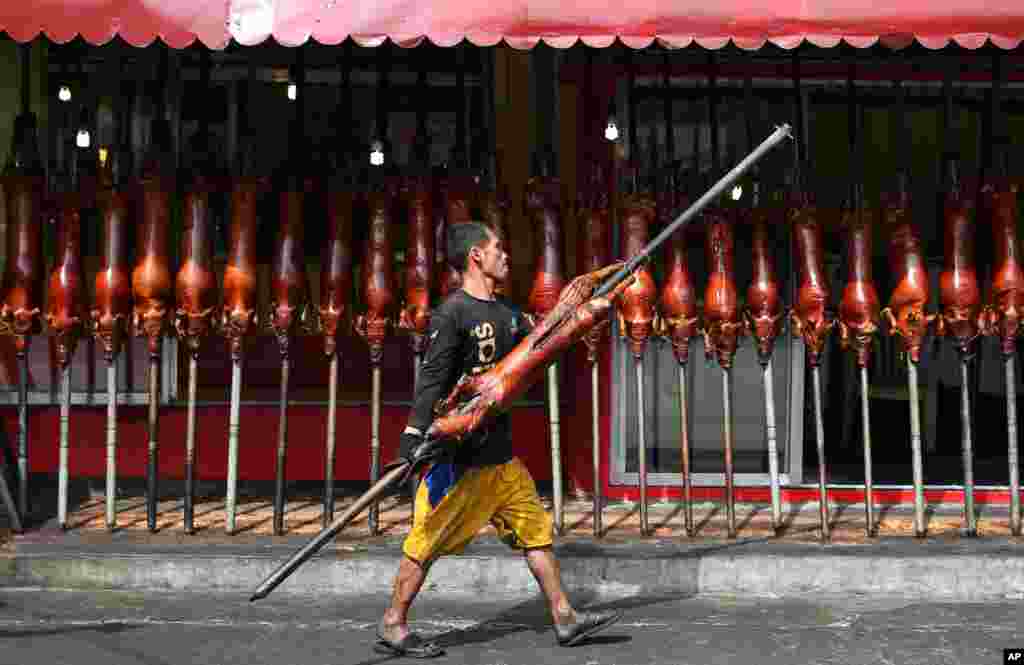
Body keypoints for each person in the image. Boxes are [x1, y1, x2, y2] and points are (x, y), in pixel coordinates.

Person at [375, 221, 622, 658]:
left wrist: (600, 295)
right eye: (497, 248)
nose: (505, 255)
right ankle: (394, 622)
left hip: (502, 460)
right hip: (458, 465)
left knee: (535, 532)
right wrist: (412, 438)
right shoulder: (451, 314)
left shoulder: (509, 313)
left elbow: (550, 334)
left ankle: (564, 616)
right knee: (425, 543)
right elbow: (431, 382)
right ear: (476, 256)